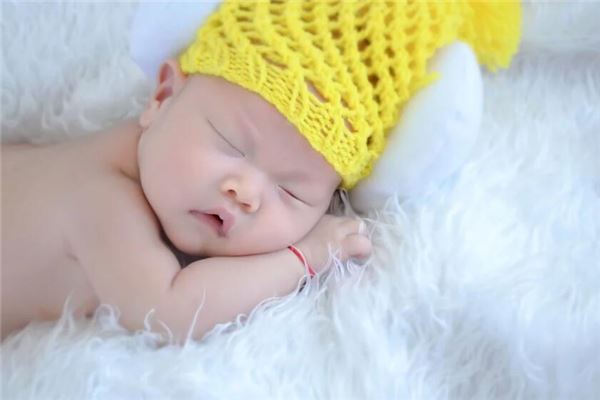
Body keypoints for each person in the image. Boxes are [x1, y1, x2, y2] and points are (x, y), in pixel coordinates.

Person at [1, 1, 521, 344]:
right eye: (229, 143)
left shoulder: (163, 157)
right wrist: (306, 256)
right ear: (162, 96)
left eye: (292, 192)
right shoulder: (102, 202)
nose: (246, 192)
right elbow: (169, 309)